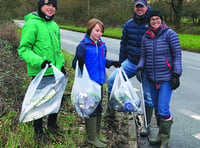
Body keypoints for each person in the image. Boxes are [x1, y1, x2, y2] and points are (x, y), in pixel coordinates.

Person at [18, 0, 66, 144]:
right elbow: (23, 49)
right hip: (41, 72)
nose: (50, 8)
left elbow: (58, 50)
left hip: (56, 71)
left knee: (56, 98)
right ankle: (38, 132)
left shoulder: (55, 26)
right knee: (39, 102)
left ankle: (52, 125)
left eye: (53, 6)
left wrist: (62, 65)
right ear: (40, 7)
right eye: (47, 5)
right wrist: (40, 61)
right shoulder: (32, 24)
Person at [103, 0, 153, 136]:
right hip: (130, 62)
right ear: (134, 8)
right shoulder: (128, 25)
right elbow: (123, 44)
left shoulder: (152, 23)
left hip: (147, 65)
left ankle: (146, 126)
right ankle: (111, 110)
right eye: (137, 7)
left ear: (146, 7)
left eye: (141, 7)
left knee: (147, 96)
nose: (139, 9)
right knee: (113, 80)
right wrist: (120, 62)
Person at [136, 9, 182, 147]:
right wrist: (139, 67)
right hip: (151, 77)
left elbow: (177, 56)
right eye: (152, 19)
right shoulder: (146, 37)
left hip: (166, 78)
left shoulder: (170, 35)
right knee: (156, 108)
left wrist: (176, 74)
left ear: (161, 20)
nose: (155, 21)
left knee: (163, 109)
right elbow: (143, 56)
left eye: (157, 19)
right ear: (148, 22)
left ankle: (165, 139)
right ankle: (160, 135)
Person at [72, 18, 120, 148]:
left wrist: (112, 63)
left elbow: (102, 61)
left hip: (99, 83)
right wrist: (79, 61)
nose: (99, 33)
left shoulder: (102, 45)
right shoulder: (83, 46)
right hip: (88, 84)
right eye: (97, 30)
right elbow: (74, 65)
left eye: (101, 31)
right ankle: (91, 138)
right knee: (90, 110)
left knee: (98, 108)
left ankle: (97, 136)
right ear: (90, 29)